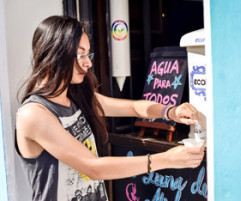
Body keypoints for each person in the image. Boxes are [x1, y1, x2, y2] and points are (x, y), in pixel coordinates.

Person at [15, 15, 205, 201]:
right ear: (53, 54)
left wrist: (171, 112)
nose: (88, 63)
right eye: (81, 55)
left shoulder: (75, 97)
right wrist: (166, 160)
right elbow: (94, 168)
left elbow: (134, 108)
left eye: (88, 54)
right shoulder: (34, 114)